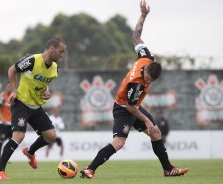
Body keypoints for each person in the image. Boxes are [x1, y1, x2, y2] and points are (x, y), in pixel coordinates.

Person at [80, 0, 188, 179]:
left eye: (150, 80)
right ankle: (90, 169)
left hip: (134, 107)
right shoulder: (136, 84)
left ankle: (168, 169)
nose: (147, 81)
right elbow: (131, 107)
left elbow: (137, 36)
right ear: (145, 72)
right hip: (123, 108)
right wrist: (146, 120)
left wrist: (143, 15)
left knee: (156, 133)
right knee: (119, 142)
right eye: (147, 77)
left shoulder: (146, 57)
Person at [0, 37, 67, 180]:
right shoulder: (32, 61)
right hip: (21, 103)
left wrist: (47, 91)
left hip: (36, 106)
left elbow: (44, 82)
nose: (62, 55)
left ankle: (30, 152)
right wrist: (14, 90)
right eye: (61, 51)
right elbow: (12, 70)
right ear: (52, 49)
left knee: (51, 136)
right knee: (19, 136)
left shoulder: (54, 68)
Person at [0, 82, 12, 162]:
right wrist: (1, 118)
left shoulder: (13, 96)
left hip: (11, 123)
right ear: (6, 87)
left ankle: (5, 159)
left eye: (11, 86)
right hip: (3, 123)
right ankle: (0, 160)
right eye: (8, 86)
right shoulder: (2, 96)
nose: (9, 87)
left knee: (11, 142)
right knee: (2, 140)